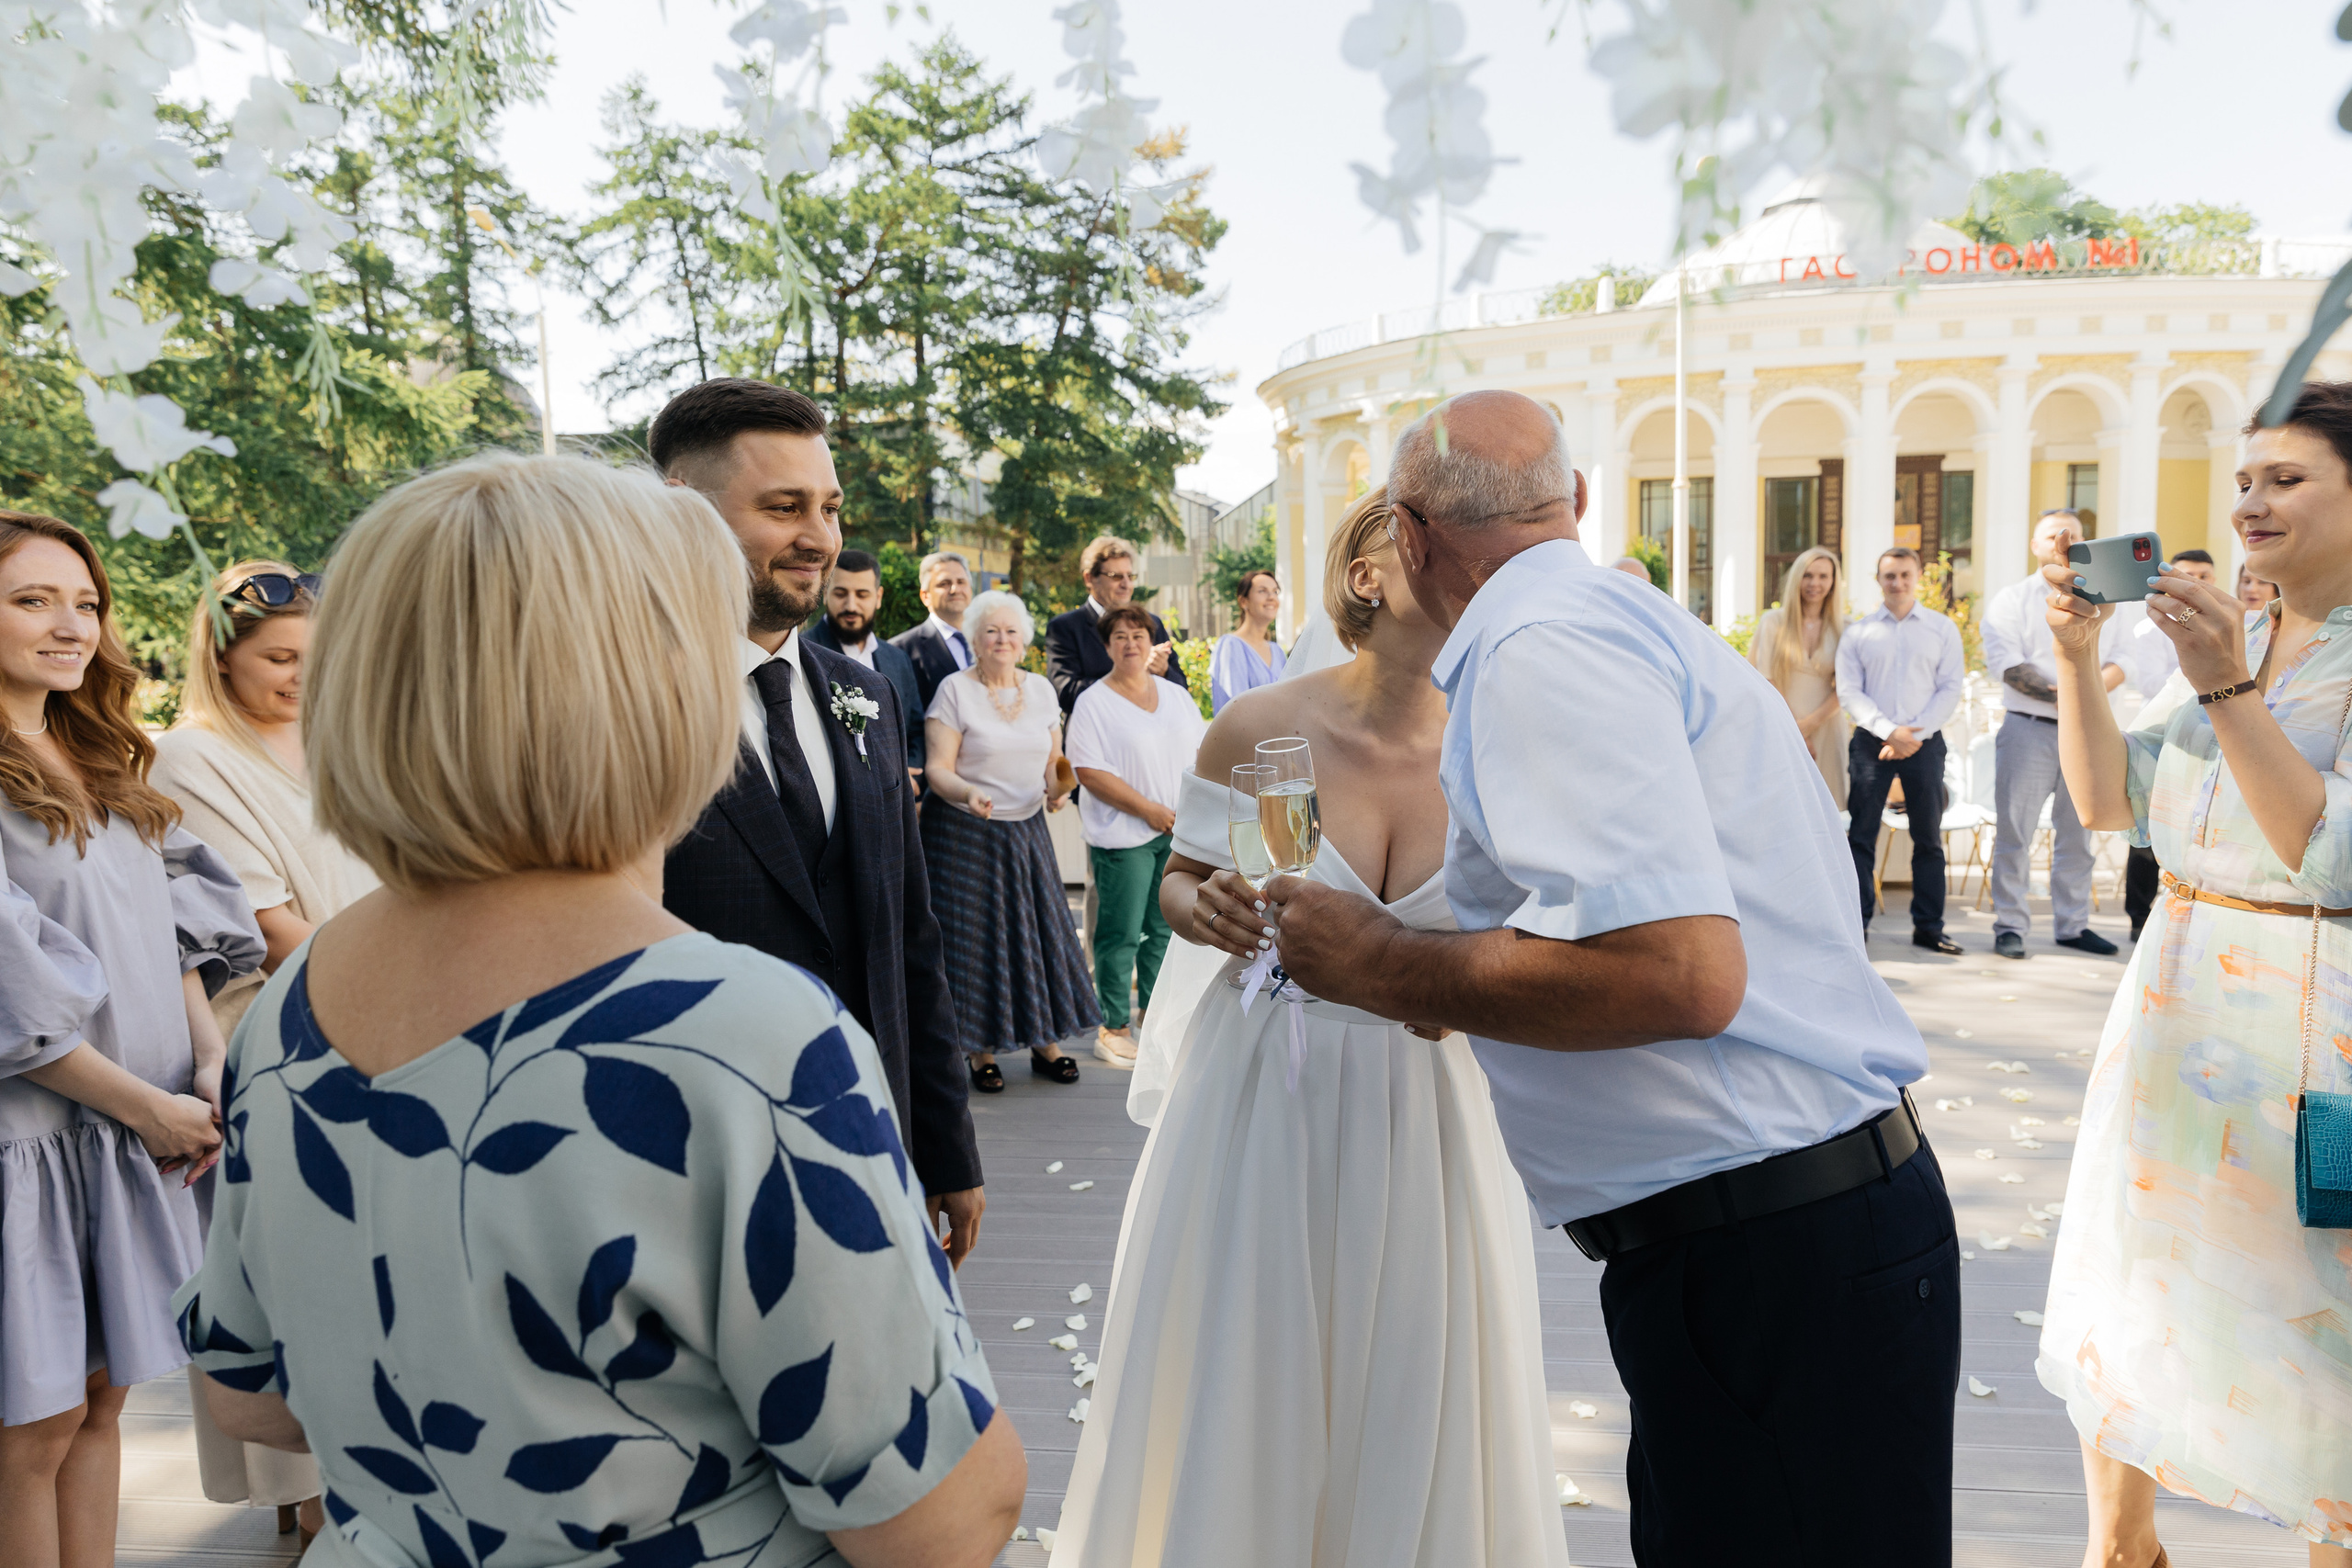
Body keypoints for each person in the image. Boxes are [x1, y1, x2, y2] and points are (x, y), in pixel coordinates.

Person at [169, 451, 1025, 1568]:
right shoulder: (741, 1036)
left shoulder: (294, 1005)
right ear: (652, 691)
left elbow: (250, 1395)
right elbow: (942, 1520)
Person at [1264, 391, 1957, 1566]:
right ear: (1577, 503)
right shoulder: (1604, 619)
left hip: (1766, 1258)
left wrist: (1385, 965)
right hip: (1793, 1235)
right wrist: (1463, 980)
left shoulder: (1538, 649)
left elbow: (1678, 973)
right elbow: (1614, 928)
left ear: (1412, 537)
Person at [1048, 486, 1567, 1568]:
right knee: (1256, 1363)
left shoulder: (1504, 742)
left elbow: (1544, 928)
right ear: (1369, 575)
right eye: (1436, 548)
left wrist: (1469, 976)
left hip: (1422, 1109)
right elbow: (1191, 881)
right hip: (1268, 1096)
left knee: (1418, 1366)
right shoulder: (1269, 728)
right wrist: (1213, 909)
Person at [2035, 381, 2352, 1568]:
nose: (2253, 500)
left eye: (2288, 478)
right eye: (2246, 479)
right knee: (2135, 1290)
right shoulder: (2249, 630)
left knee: (2326, 1329)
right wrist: (2078, 661)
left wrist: (2224, 682)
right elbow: (2111, 801)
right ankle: (2122, 1548)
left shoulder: (2249, 651)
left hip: (2316, 1028)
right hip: (2172, 1008)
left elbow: (2327, 845)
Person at [649, 378, 985, 1267]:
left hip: (878, 1146)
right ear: (683, 512)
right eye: (784, 506)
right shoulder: (623, 707)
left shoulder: (864, 696)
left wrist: (945, 1143)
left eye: (829, 507)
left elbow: (910, 932)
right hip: (695, 1178)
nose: (821, 539)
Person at [0, 512, 264, 1567]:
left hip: (138, 1131)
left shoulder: (96, 750)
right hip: (42, 1138)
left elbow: (176, 933)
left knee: (104, 1405)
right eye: (32, 600)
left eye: (85, 602)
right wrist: (142, 1105)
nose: (71, 625)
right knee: (32, 1429)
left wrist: (203, 1060)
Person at [150, 560, 378, 1549]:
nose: (299, 677)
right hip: (290, 1027)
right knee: (306, 1273)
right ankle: (321, 1504)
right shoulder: (190, 760)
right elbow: (265, 921)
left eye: (315, 660)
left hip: (391, 1014)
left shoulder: (345, 738)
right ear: (222, 656)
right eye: (278, 659)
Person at [921, 589, 1095, 1093]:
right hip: (964, 830)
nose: (1002, 639)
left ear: (1024, 642)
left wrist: (1060, 789)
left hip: (1026, 829)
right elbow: (937, 769)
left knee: (1037, 937)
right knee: (975, 942)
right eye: (991, 631)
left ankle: (1046, 1044)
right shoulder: (954, 690)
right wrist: (969, 792)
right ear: (975, 639)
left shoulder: (1041, 690)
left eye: (1011, 631)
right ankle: (981, 1051)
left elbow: (1053, 762)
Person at [1979, 509, 2128, 960]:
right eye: (2051, 536)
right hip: (2029, 731)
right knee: (2014, 833)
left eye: (2073, 536)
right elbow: (2009, 666)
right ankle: (2010, 925)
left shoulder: (2106, 598)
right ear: (2035, 545)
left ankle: (2073, 925)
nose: (2062, 542)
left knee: (2079, 834)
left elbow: (2122, 661)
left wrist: (2082, 697)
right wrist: (2072, 692)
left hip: (2090, 734)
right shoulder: (2011, 599)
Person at [1066, 605, 1205, 1068]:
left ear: (1152, 643)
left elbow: (1201, 752)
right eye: (1120, 636)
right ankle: (1113, 1026)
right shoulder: (1093, 702)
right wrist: (1148, 809)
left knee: (1164, 930)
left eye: (1139, 635)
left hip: (1177, 833)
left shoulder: (1175, 695)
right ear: (1107, 647)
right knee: (1120, 934)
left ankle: (1153, 1017)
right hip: (1124, 836)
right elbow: (1087, 769)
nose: (1130, 642)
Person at [1836, 546, 1966, 953]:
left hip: (1925, 744)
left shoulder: (1941, 629)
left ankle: (1929, 928)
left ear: (1916, 578)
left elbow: (1950, 688)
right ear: (1879, 581)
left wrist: (1914, 736)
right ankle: (1858, 927)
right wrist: (1889, 731)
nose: (1897, 582)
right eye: (1889, 576)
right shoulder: (1857, 633)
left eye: (1905, 575)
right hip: (1870, 744)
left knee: (1928, 838)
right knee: (1861, 837)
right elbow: (1849, 690)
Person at [2116, 547, 2215, 939]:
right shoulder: (2149, 627)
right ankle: (2139, 918)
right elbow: (2152, 682)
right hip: (2164, 736)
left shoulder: (2222, 625)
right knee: (2146, 832)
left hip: (2213, 737)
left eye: (2205, 576)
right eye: (2188, 574)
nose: (2197, 583)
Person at [807, 547, 925, 782]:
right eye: (841, 593)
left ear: (878, 597)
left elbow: (916, 730)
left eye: (862, 594)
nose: (851, 606)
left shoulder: (897, 658)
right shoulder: (803, 653)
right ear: (825, 592)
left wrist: (907, 772)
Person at [1044, 536, 1188, 719]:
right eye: (1116, 576)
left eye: (1130, 576)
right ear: (1089, 578)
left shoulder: (1151, 624)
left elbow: (1182, 688)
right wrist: (1132, 675)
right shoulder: (1065, 628)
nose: (1126, 584)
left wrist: (1163, 671)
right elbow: (1066, 693)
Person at [1750, 544, 1850, 807]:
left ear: (1833, 581)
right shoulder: (1773, 622)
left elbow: (1847, 688)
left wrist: (1809, 725)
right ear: (1797, 578)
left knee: (1830, 808)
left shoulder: (1846, 628)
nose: (1814, 583)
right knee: (1784, 805)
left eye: (1822, 576)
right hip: (1782, 726)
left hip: (1828, 727)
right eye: (1808, 575)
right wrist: (1796, 731)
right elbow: (1766, 679)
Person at [893, 549, 975, 714]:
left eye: (961, 582)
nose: (955, 589)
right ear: (925, 596)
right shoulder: (900, 650)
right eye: (944, 584)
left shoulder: (988, 639)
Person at [1207, 568, 1283, 713]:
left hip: (1280, 735)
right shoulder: (1230, 646)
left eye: (1275, 591)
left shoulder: (1277, 651)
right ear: (1243, 602)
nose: (1271, 597)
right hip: (1246, 735)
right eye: (1262, 591)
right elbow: (1235, 709)